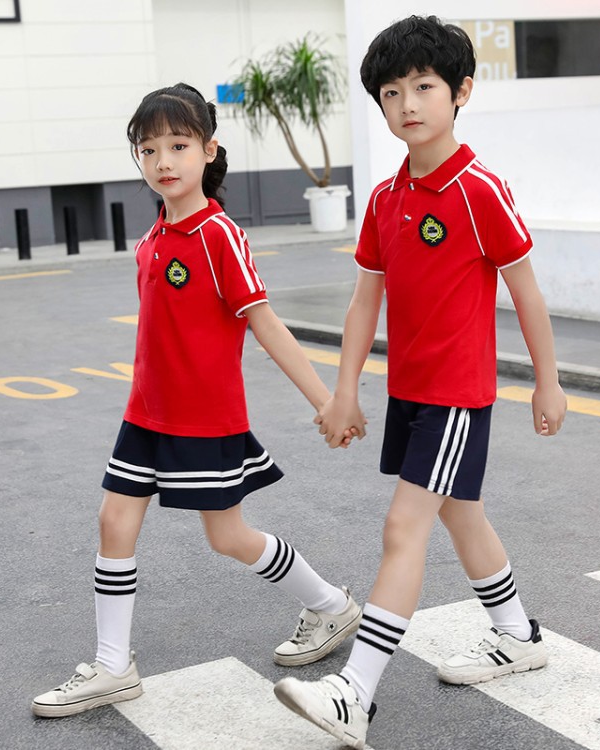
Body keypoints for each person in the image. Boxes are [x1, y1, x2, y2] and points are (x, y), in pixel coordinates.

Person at [273, 16, 567, 749]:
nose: (407, 103)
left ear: (460, 91)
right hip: (408, 392)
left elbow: (526, 290)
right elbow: (363, 301)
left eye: (424, 86)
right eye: (392, 91)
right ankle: (516, 632)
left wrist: (548, 382)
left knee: (403, 527)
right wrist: (345, 390)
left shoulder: (478, 189)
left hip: (456, 395)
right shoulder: (385, 198)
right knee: (461, 514)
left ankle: (355, 693)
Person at [31, 83, 363, 718]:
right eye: (148, 149)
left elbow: (265, 324)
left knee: (229, 537)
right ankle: (112, 666)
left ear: (208, 150)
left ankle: (330, 605)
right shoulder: (152, 238)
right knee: (113, 522)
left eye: (178, 146)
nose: (163, 161)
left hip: (204, 420)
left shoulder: (219, 235)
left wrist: (329, 400)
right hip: (144, 415)